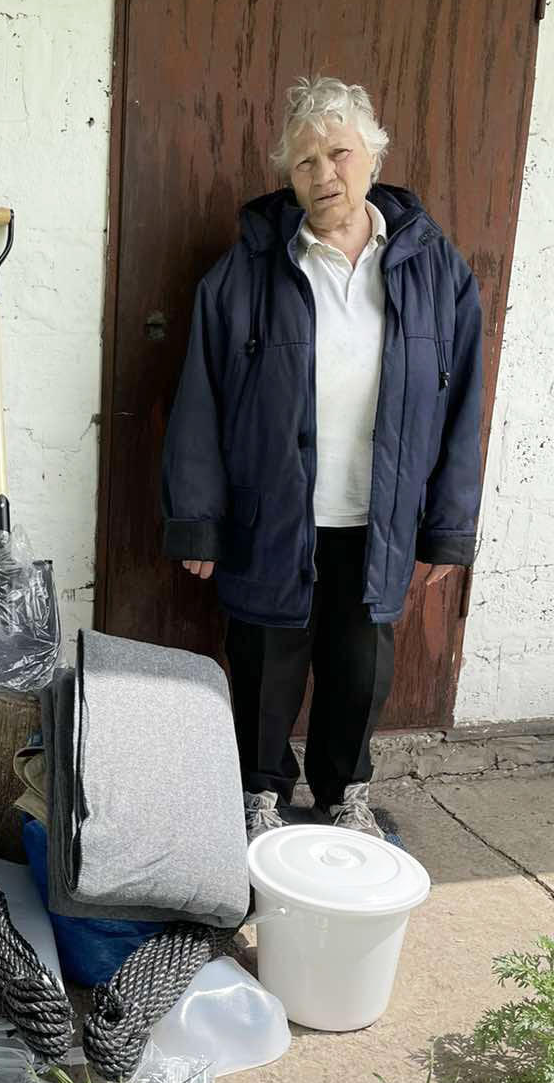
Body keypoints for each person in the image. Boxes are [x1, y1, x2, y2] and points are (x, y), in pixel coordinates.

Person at [161, 77, 483, 839]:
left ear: (373, 156)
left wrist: (446, 528)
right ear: (289, 176)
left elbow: (463, 401)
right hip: (274, 510)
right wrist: (198, 521)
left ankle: (345, 792)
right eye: (304, 161)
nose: (324, 174)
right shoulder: (248, 268)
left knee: (360, 666)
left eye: (339, 152)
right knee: (264, 659)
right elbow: (200, 398)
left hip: (378, 514)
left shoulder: (435, 269)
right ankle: (258, 794)